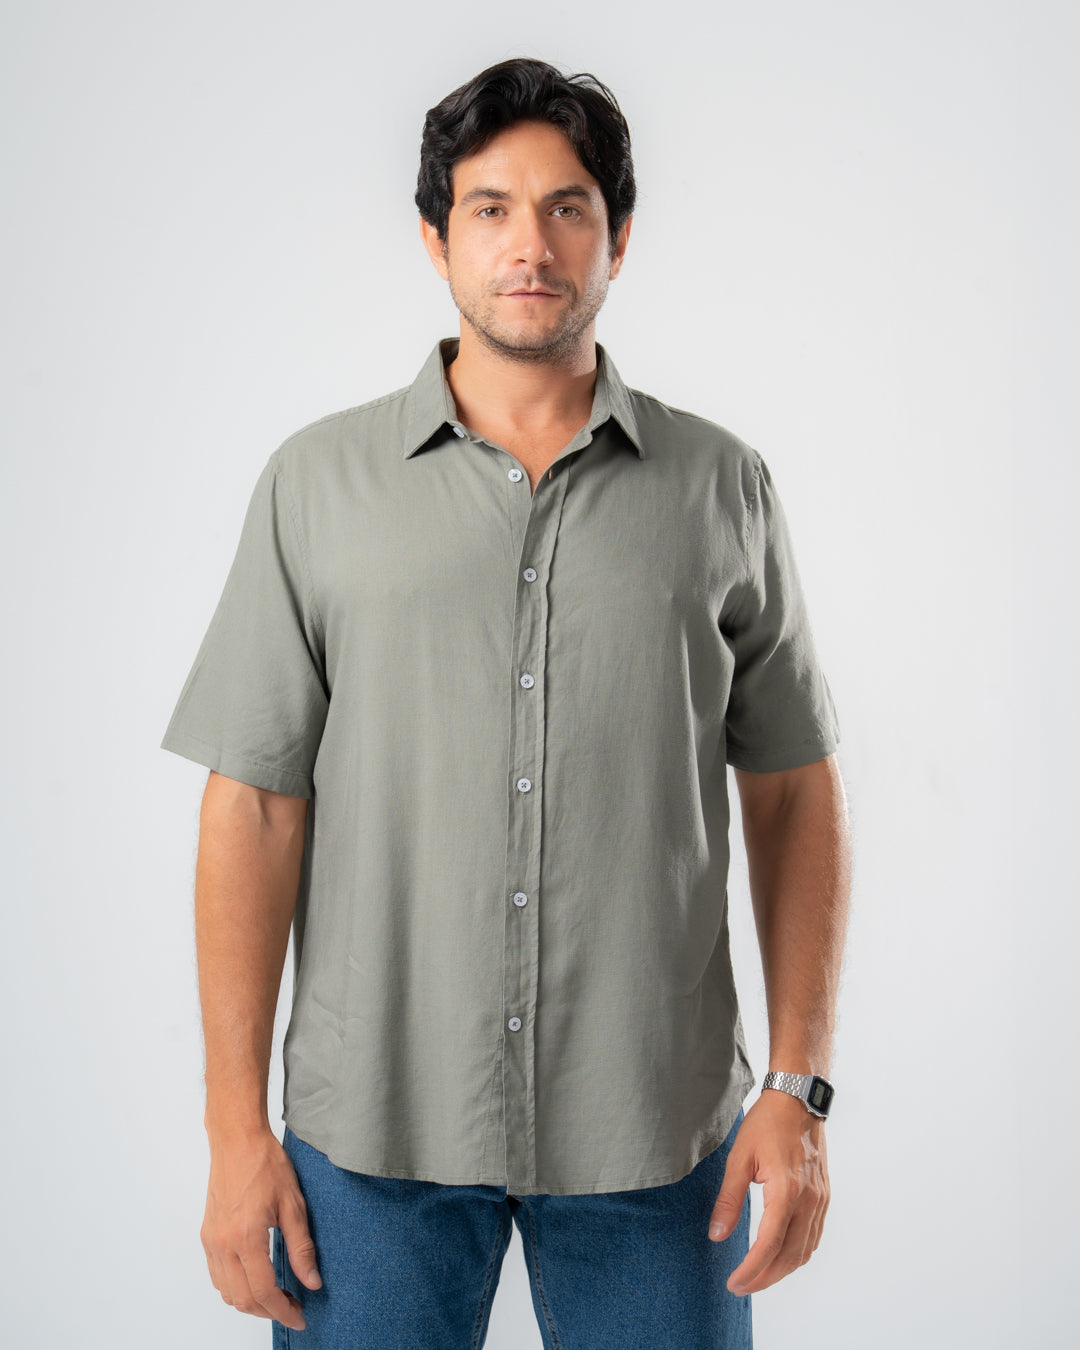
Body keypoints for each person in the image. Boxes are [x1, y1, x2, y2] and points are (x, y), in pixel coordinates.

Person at [160, 56, 852, 1350]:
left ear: (619, 236)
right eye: (490, 208)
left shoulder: (722, 487)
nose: (529, 244)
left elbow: (792, 785)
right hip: (370, 1140)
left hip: (657, 1135)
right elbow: (252, 804)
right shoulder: (316, 485)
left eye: (567, 207)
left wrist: (798, 1087)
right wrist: (233, 1129)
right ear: (436, 238)